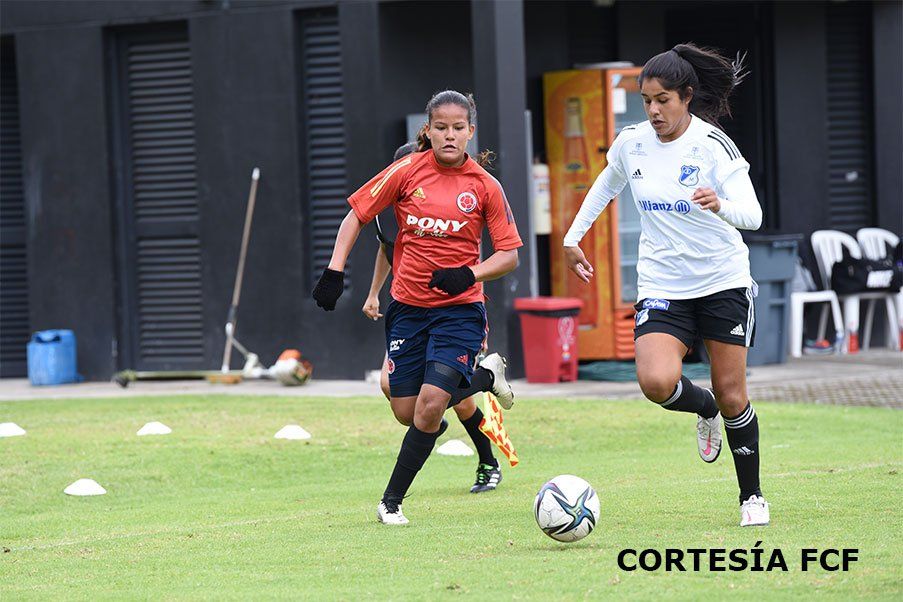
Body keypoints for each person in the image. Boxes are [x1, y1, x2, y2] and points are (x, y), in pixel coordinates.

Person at [563, 43, 769, 527]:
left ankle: (752, 497)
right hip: (663, 282)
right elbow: (606, 184)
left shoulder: (713, 145)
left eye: (663, 100)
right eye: (646, 101)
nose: (654, 111)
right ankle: (704, 407)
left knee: (733, 393)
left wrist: (720, 205)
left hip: (722, 281)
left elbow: (754, 215)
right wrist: (573, 238)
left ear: (686, 97)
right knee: (656, 382)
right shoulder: (631, 142)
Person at [312, 90, 522, 525]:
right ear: (427, 130)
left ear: (470, 131)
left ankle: (391, 502)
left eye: (458, 128)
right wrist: (334, 271)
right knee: (406, 411)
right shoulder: (406, 170)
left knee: (430, 406)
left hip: (460, 311)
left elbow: (509, 256)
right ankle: (485, 377)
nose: (449, 135)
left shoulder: (485, 185)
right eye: (441, 127)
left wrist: (469, 275)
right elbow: (356, 215)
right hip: (407, 309)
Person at [362, 140, 504, 495]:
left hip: (453, 311)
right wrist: (373, 292)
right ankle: (433, 417)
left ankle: (489, 462)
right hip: (408, 310)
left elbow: (478, 261)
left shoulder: (453, 201)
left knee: (458, 400)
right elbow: (387, 248)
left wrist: (479, 312)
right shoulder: (390, 204)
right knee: (394, 391)